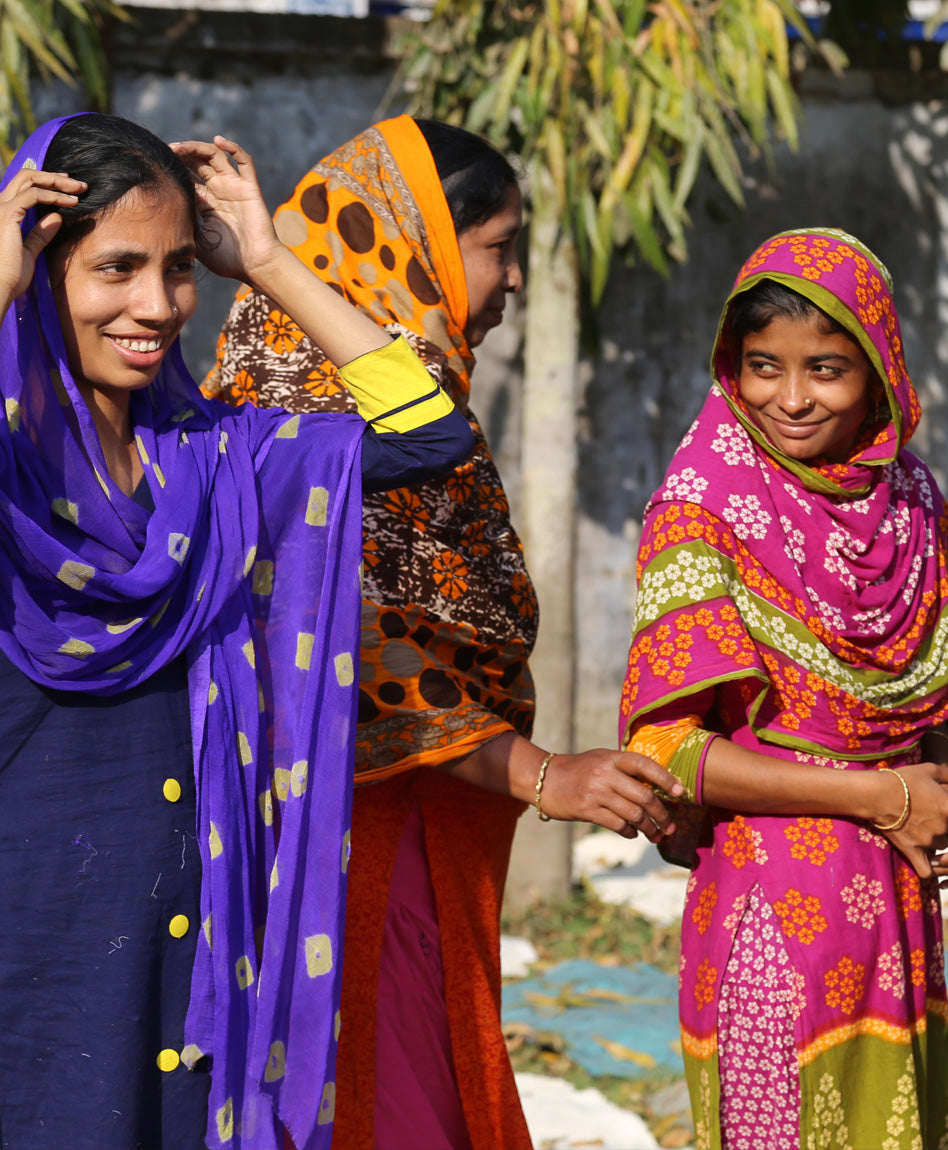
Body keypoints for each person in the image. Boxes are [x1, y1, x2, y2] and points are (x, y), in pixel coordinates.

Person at [206, 114, 685, 1150]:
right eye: (498, 246)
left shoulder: (384, 380)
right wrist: (535, 770)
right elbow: (352, 641)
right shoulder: (300, 394)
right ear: (416, 239)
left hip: (418, 828)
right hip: (345, 841)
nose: (513, 278)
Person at [0, 111, 477, 1150]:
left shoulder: (218, 460)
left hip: (189, 951)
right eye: (114, 268)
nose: (157, 305)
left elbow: (430, 433)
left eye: (178, 270)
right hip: (32, 942)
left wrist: (267, 261)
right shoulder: (14, 486)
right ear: (39, 276)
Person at [619, 228, 948, 1149]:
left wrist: (937, 791)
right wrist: (882, 796)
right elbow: (666, 746)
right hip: (769, 908)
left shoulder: (907, 494)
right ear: (730, 366)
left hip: (899, 901)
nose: (790, 399)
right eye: (762, 367)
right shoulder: (702, 503)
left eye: (825, 368)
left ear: (879, 370)